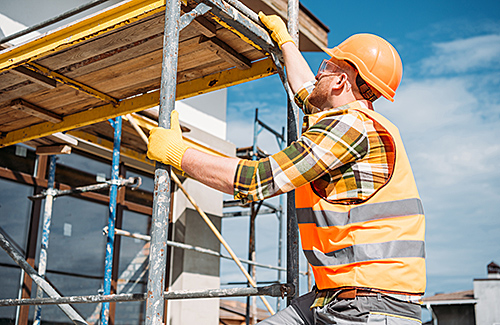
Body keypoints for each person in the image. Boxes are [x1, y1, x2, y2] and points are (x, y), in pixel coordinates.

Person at [147, 12, 425, 325]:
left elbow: (254, 181)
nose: (319, 75)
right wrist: (286, 42)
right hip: (343, 296)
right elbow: (309, 92)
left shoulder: (349, 127)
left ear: (341, 81)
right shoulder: (362, 123)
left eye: (325, 68)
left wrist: (177, 152)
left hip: (367, 307)